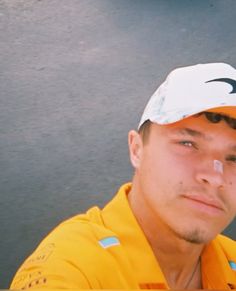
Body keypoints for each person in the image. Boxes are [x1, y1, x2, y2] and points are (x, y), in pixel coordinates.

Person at [10, 62, 236, 290]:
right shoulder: (74, 267)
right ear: (137, 149)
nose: (215, 177)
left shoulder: (231, 260)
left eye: (234, 159)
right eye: (188, 143)